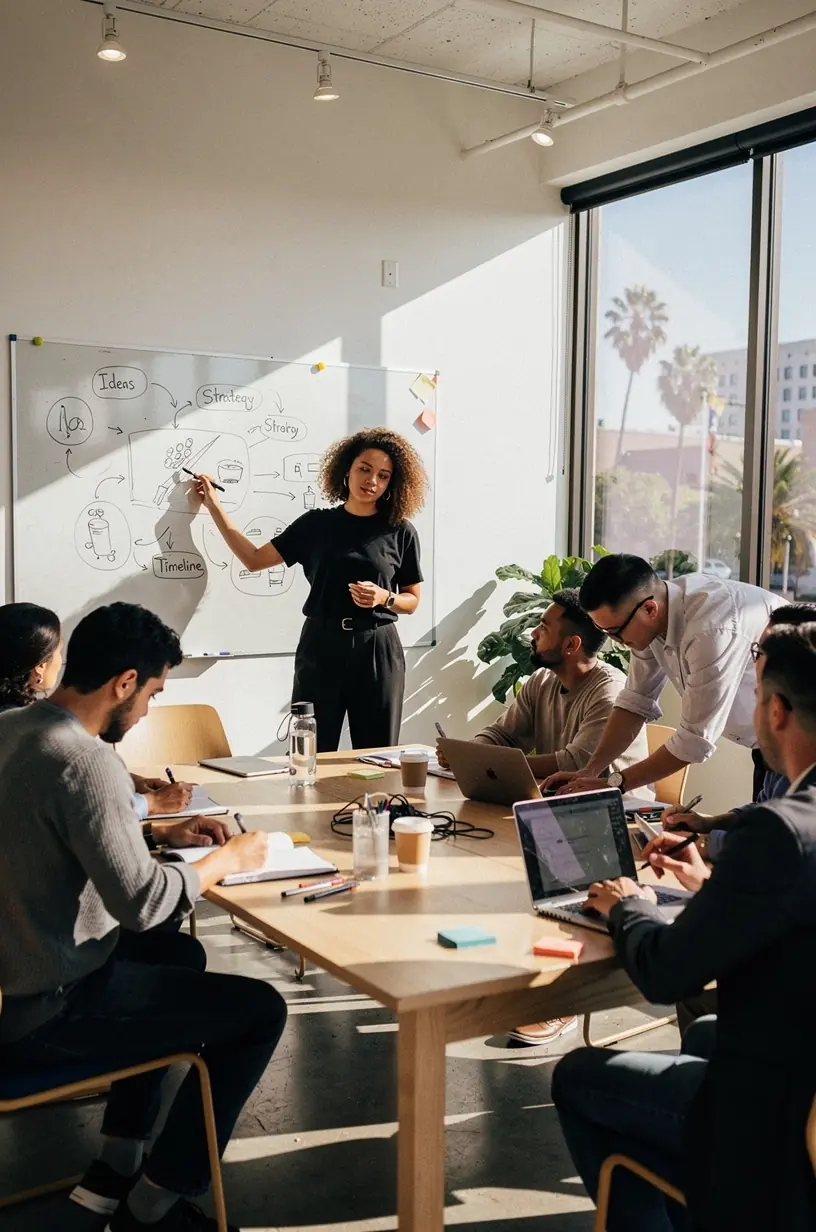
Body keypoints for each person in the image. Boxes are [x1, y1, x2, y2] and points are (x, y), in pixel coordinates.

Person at [0, 603, 286, 1232]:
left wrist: (158, 835)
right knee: (261, 1011)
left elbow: (53, 831)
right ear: (124, 682)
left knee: (176, 954)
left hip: (15, 974)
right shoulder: (87, 759)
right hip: (43, 1012)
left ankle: (119, 1159)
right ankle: (155, 1202)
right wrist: (227, 859)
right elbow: (145, 903)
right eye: (153, 693)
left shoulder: (12, 728)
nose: (149, 710)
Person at [551, 621, 816, 1232]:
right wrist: (715, 889)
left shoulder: (778, 830)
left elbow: (667, 973)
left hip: (776, 1114)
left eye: (755, 696)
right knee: (701, 1038)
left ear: (776, 710)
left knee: (577, 1077)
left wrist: (628, 905)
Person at [439, 588, 651, 1046]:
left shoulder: (610, 689)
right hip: (554, 810)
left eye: (544, 627)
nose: (533, 633)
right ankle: (512, 974)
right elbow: (501, 733)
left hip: (613, 820)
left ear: (572, 644)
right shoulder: (540, 682)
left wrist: (499, 761)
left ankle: (562, 999)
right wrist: (472, 752)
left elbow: (579, 761)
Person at [193, 428, 427, 751]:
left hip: (378, 649)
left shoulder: (400, 531)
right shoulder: (316, 525)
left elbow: (412, 600)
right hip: (322, 646)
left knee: (378, 755)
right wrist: (213, 506)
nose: (372, 480)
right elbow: (253, 559)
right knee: (309, 752)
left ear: (392, 483)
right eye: (364, 469)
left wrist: (384, 597)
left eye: (383, 476)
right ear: (346, 469)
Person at [544, 554, 785, 799]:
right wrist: (589, 772)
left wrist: (614, 782)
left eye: (615, 631)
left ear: (649, 609)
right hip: (769, 747)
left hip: (800, 740)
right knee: (761, 821)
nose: (616, 641)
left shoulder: (711, 630)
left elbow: (694, 740)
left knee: (775, 822)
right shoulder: (649, 620)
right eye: (603, 631)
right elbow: (634, 703)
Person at [0, 601, 194, 820]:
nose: (62, 661)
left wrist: (128, 782)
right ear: (40, 666)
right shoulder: (22, 729)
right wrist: (151, 802)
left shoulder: (14, 723)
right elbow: (76, 805)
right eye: (58, 651)